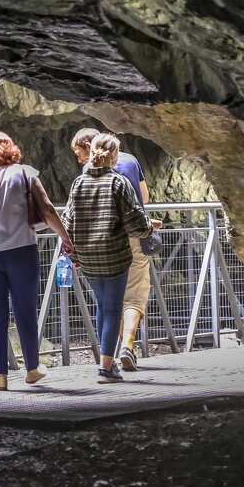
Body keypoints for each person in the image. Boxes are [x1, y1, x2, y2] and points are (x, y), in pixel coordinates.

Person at [0, 132, 74, 391]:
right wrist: (66, 238)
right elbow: (47, 209)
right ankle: (32, 369)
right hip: (22, 251)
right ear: (11, 149)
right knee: (25, 311)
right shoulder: (26, 172)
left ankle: (0, 377)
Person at [62, 132, 154, 383]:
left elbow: (68, 221)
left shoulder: (79, 183)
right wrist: (150, 228)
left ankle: (107, 360)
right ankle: (105, 368)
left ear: (92, 153)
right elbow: (134, 220)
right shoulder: (118, 183)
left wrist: (73, 253)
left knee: (103, 306)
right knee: (113, 309)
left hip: (89, 258)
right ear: (114, 156)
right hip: (114, 254)